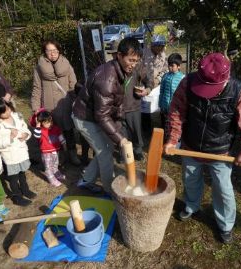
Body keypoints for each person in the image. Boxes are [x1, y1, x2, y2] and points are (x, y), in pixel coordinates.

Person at [164, 52, 241, 244]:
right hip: (191, 146)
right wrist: (172, 139)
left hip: (221, 150)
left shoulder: (239, 92)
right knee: (190, 179)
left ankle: (225, 224)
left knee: (223, 189)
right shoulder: (188, 83)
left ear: (226, 78)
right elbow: (176, 112)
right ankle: (192, 206)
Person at [72, 37, 142, 193]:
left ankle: (86, 180)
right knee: (105, 154)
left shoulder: (121, 70)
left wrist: (118, 125)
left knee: (107, 148)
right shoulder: (107, 78)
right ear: (119, 55)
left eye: (136, 61)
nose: (133, 64)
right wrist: (121, 139)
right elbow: (102, 116)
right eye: (130, 60)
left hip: (97, 115)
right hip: (85, 118)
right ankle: (111, 193)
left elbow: (115, 102)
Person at [31, 38, 80, 166]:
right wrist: (35, 107)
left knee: (69, 131)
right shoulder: (39, 68)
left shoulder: (66, 64)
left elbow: (73, 84)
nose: (52, 53)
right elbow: (37, 88)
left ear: (59, 50)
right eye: (49, 51)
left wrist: (76, 101)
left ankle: (72, 154)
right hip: (49, 106)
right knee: (53, 133)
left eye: (55, 50)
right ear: (44, 52)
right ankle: (59, 156)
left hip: (66, 103)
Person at [0, 97, 36, 206]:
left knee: (22, 173)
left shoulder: (17, 116)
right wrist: (9, 137)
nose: (8, 111)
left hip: (22, 152)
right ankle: (17, 196)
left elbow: (25, 128)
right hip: (10, 155)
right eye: (4, 111)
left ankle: (25, 190)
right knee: (13, 178)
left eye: (8, 108)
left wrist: (26, 135)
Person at [138, 34, 168, 137]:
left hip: (157, 85)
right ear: (152, 45)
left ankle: (161, 128)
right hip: (144, 83)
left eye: (162, 46)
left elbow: (165, 69)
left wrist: (159, 79)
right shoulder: (143, 53)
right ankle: (146, 130)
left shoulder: (163, 55)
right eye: (158, 46)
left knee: (158, 106)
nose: (160, 48)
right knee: (145, 107)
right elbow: (138, 68)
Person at [32, 110, 67, 187]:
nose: (50, 124)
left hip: (55, 150)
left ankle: (57, 174)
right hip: (46, 152)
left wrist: (63, 143)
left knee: (55, 164)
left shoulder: (55, 128)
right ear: (41, 123)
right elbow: (36, 136)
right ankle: (52, 180)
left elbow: (60, 136)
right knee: (48, 167)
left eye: (50, 121)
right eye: (47, 122)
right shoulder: (40, 130)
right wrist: (37, 125)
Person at [158, 53, 184, 136]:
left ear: (179, 66)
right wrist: (160, 104)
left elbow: (183, 95)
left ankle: (174, 142)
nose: (170, 67)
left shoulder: (182, 78)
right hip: (165, 107)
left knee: (174, 127)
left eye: (172, 65)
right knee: (164, 126)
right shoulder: (165, 76)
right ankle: (164, 141)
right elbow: (161, 91)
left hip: (176, 109)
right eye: (169, 65)